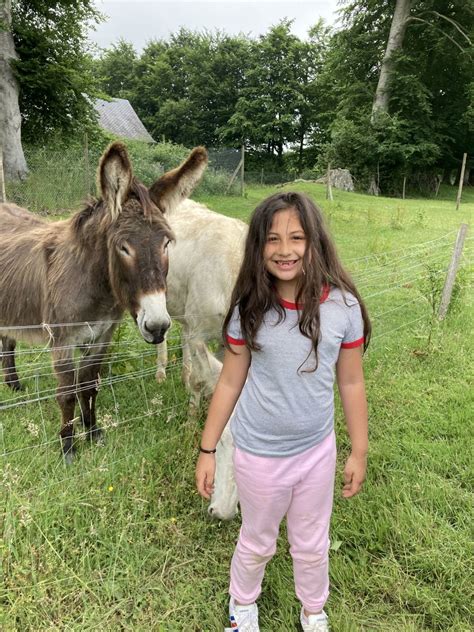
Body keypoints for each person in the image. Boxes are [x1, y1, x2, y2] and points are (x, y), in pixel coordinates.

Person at [195, 191, 371, 632]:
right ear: (258, 246)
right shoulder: (248, 310)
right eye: (272, 239)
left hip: (316, 454)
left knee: (312, 543)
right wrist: (208, 448)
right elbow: (230, 381)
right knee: (257, 541)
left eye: (297, 237)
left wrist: (359, 450)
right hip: (259, 456)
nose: (285, 250)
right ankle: (243, 605)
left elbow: (350, 382)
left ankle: (314, 609)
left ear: (316, 243)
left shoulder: (342, 308)